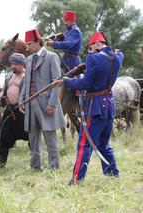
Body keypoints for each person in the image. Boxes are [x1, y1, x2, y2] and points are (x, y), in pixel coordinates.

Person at [52, 32, 123, 185]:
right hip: (108, 106)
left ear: (97, 44)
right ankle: (113, 175)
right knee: (104, 145)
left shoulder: (93, 58)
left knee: (84, 145)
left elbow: (85, 85)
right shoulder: (118, 56)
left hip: (95, 108)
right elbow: (110, 60)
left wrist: (67, 81)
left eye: (91, 48)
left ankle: (76, 181)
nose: (90, 52)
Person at [19, 29, 65, 171]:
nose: (27, 47)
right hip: (30, 104)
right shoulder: (28, 59)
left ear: (39, 42)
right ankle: (36, 167)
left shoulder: (51, 57)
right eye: (26, 44)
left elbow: (57, 81)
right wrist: (22, 100)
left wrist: (52, 104)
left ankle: (54, 169)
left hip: (46, 104)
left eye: (30, 43)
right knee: (33, 139)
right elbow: (26, 82)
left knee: (50, 138)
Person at [0, 53, 29, 168]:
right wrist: (0, 98)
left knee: (31, 137)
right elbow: (4, 89)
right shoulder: (8, 76)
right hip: (9, 110)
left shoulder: (28, 76)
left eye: (16, 64)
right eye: (12, 64)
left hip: (23, 111)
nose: (13, 66)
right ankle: (0, 165)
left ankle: (35, 164)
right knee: (4, 137)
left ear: (22, 64)